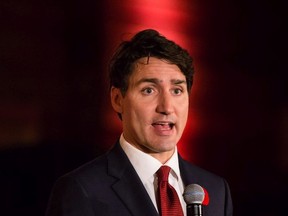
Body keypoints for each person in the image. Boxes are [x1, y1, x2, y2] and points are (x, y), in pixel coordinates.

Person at [45, 29, 233, 216]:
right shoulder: (81, 190)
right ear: (118, 99)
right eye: (149, 90)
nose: (167, 107)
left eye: (177, 90)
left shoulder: (216, 190)